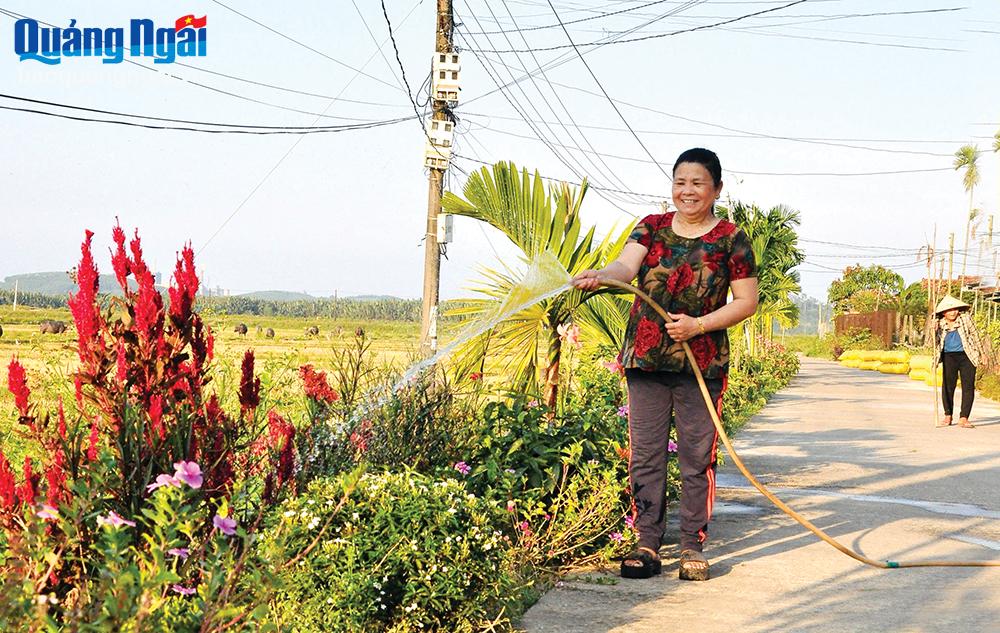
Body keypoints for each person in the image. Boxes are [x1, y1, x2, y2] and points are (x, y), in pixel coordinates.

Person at [572, 148, 758, 581]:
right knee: (646, 456)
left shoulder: (732, 239)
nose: (686, 191)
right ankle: (647, 543)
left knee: (697, 458)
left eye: (697, 183)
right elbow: (625, 264)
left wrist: (699, 325)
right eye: (680, 182)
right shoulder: (651, 227)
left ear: (716, 189)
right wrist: (602, 275)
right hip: (646, 360)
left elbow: (746, 302)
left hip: (701, 363)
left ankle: (693, 545)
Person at [933, 295, 988, 429]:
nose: (953, 312)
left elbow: (975, 335)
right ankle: (948, 415)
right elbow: (933, 343)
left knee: (968, 386)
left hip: (967, 355)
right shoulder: (939, 323)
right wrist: (933, 331)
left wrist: (983, 354)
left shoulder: (965, 318)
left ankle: (964, 418)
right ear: (943, 313)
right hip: (948, 356)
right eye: (949, 310)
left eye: (955, 309)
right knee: (947, 386)